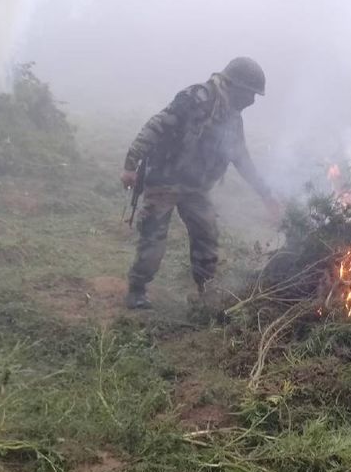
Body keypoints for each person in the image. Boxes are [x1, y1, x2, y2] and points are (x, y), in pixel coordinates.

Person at [120, 57, 281, 309]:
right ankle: (137, 289)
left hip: (195, 187)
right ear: (233, 85)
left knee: (206, 236)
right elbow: (156, 126)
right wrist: (130, 165)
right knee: (153, 238)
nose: (251, 102)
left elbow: (242, 159)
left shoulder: (232, 119)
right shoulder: (196, 99)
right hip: (165, 180)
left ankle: (205, 291)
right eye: (250, 94)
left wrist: (266, 194)